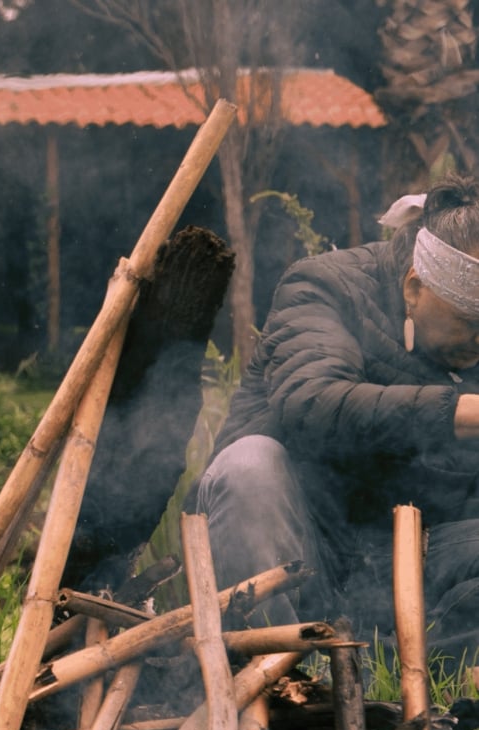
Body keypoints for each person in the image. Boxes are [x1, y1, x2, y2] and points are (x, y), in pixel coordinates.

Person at [194, 172, 479, 669]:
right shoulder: (327, 286)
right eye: (472, 325)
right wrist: (459, 410)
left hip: (415, 566)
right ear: (414, 287)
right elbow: (312, 402)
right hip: (307, 549)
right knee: (249, 466)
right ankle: (273, 670)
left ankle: (386, 667)